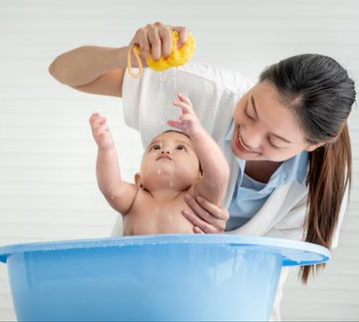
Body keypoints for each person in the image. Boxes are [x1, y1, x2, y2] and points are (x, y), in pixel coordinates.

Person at [49, 22, 355, 320]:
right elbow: (63, 71)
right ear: (256, 83)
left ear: (314, 145)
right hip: (137, 288)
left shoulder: (321, 180)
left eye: (275, 140)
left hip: (237, 305)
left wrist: (222, 245)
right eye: (249, 110)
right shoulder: (201, 93)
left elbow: (269, 268)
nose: (247, 138)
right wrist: (127, 54)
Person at [89, 93, 230, 235]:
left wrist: (198, 133)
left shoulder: (197, 198)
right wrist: (106, 148)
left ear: (200, 176)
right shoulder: (135, 199)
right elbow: (110, 188)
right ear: (139, 180)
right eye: (155, 148)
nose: (165, 150)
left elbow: (219, 175)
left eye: (181, 148)